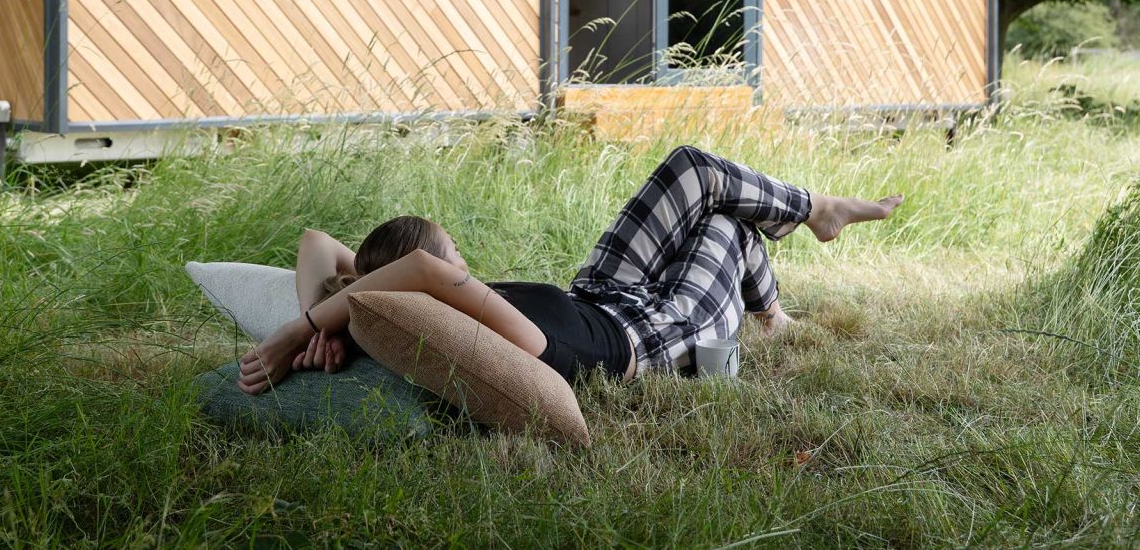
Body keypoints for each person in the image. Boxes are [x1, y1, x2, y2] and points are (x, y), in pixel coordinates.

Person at [237, 145, 903, 395]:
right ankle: (775, 309)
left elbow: (316, 242)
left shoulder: (380, 310)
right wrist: (301, 331)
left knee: (695, 171)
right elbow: (419, 270)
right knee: (726, 222)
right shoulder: (472, 326)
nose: (465, 266)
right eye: (457, 256)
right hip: (656, 335)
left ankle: (808, 224)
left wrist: (327, 316)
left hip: (602, 291)